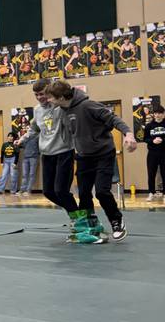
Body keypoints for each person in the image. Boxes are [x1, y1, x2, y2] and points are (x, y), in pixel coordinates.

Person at [46, 80, 136, 242]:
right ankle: (90, 226)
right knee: (84, 194)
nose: (49, 100)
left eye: (51, 98)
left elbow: (114, 119)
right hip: (83, 157)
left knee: (101, 191)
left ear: (60, 97)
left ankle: (116, 221)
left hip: (103, 154)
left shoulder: (88, 105)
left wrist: (128, 134)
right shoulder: (61, 111)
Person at [17, 79, 80, 235]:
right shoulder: (37, 110)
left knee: (61, 190)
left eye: (43, 94)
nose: (40, 97)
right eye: (36, 95)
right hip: (47, 153)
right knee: (49, 192)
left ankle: (79, 218)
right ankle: (77, 214)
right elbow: (34, 129)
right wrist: (23, 139)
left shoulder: (61, 106)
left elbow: (75, 123)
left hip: (64, 151)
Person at [143, 105, 165, 202]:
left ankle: (164, 194)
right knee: (151, 174)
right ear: (154, 114)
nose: (157, 115)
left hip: (164, 153)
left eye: (160, 113)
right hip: (152, 154)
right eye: (156, 113)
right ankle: (151, 193)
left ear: (163, 114)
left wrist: (162, 140)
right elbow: (145, 139)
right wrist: (153, 141)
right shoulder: (149, 126)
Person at [17, 129, 40, 197]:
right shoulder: (25, 138)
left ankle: (28, 190)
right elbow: (20, 145)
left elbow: (40, 146)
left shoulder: (37, 137)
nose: (29, 131)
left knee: (31, 174)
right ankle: (22, 190)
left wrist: (37, 153)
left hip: (34, 158)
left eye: (30, 129)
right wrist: (17, 142)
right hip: (25, 158)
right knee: (24, 175)